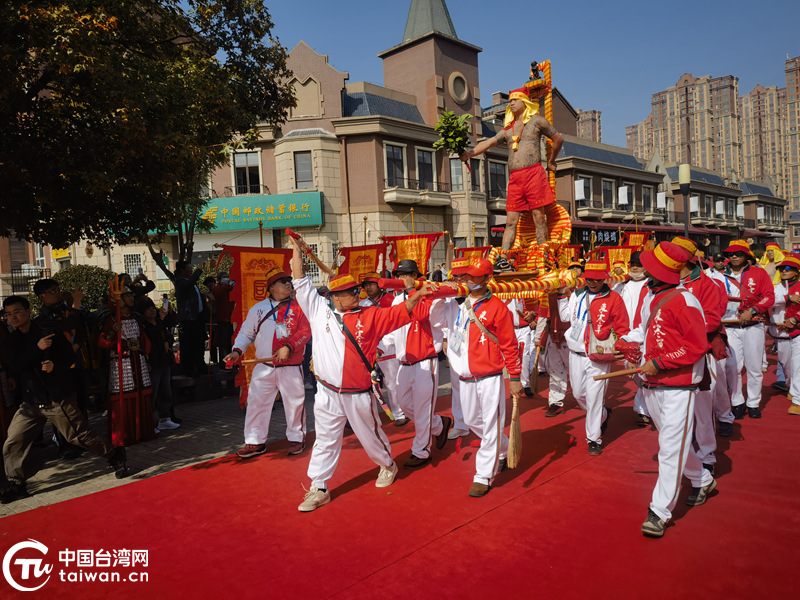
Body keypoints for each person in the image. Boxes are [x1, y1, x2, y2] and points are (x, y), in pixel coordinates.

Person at [289, 235, 434, 512]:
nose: (358, 294)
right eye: (351, 292)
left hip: (358, 393)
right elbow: (299, 280)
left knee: (371, 436)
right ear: (334, 296)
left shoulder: (370, 315)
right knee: (325, 439)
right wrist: (297, 250)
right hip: (327, 392)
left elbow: (402, 312)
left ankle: (387, 464)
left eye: (358, 290)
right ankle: (318, 486)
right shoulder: (318, 309)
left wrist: (418, 294)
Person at [615, 241, 715, 538]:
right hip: (651, 383)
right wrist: (625, 340)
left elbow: (697, 346)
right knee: (677, 443)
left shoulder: (685, 301)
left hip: (679, 386)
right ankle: (703, 479)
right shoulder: (651, 295)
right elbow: (645, 332)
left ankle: (659, 511)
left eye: (650, 266)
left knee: (670, 449)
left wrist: (659, 362)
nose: (644, 269)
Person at [0, 296, 129, 504]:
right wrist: (38, 349)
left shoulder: (47, 330)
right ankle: (17, 484)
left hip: (56, 398)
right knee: (14, 441)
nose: (12, 317)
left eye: (16, 312)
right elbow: (17, 365)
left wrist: (55, 367)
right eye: (8, 314)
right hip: (31, 402)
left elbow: (70, 358)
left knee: (78, 436)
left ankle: (115, 454)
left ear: (27, 311)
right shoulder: (11, 341)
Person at [436, 258, 522, 496]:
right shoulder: (459, 305)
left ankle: (483, 475)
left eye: (474, 276)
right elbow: (437, 321)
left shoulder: (498, 308)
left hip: (490, 377)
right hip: (464, 378)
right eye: (466, 276)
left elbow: (510, 345)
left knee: (491, 424)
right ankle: (502, 448)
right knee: (474, 422)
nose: (468, 280)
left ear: (487, 278)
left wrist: (514, 377)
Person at [461, 87, 563, 265]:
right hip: (515, 177)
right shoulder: (507, 130)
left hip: (534, 173)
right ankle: (503, 258)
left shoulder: (537, 122)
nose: (512, 103)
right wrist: (470, 153)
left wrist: (551, 161)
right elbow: (488, 142)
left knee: (539, 217)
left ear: (525, 102)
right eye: (510, 101)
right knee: (510, 221)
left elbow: (558, 139)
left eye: (515, 100)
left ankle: (544, 256)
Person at [225, 268, 311, 458]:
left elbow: (305, 332)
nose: (288, 284)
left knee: (295, 404)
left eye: (289, 281)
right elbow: (247, 333)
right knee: (256, 403)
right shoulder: (259, 308)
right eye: (283, 282)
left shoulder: (299, 307)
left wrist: (288, 347)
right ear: (271, 287)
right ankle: (255, 442)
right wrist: (236, 351)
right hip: (263, 367)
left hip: (290, 367)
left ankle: (297, 438)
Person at [558, 259, 630, 455]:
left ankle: (593, 438)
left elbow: (623, 327)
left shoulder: (613, 298)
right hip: (575, 352)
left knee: (595, 397)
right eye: (588, 279)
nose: (591, 282)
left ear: (604, 279)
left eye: (596, 280)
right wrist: (560, 295)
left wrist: (624, 348)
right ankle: (603, 415)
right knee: (579, 394)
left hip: (598, 355)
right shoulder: (577, 294)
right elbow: (565, 318)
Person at [671, 237, 727, 475]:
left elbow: (713, 319)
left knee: (703, 407)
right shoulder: (665, 281)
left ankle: (706, 456)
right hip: (670, 355)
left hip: (698, 352)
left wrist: (680, 333)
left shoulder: (707, 285)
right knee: (676, 410)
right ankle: (682, 453)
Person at [388, 259, 451, 470]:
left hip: (426, 362)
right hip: (404, 362)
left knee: (423, 409)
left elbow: (420, 314)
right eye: (399, 275)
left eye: (407, 275)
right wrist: (380, 349)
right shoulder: (397, 300)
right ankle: (439, 424)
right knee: (405, 405)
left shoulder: (430, 296)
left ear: (416, 276)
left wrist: (411, 292)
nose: (402, 279)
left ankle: (421, 451)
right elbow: (392, 327)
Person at [720, 240, 774, 419]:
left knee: (754, 366)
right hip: (729, 325)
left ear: (746, 256)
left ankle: (753, 402)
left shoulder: (759, 273)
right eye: (730, 254)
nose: (733, 256)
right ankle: (737, 401)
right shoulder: (719, 275)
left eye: (738, 253)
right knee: (731, 366)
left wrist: (752, 310)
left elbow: (769, 296)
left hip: (753, 325)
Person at [98, 286, 157, 445]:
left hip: (138, 359)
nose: (132, 298)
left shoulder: (137, 317)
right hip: (121, 361)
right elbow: (102, 342)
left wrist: (146, 355)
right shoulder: (110, 318)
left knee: (141, 392)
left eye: (132, 295)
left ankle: (143, 431)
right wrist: (112, 332)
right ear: (118, 299)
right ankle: (124, 434)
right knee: (123, 394)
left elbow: (143, 338)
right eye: (128, 295)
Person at [359, 272, 407, 426]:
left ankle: (399, 412)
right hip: (369, 348)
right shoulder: (363, 304)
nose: (368, 287)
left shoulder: (390, 300)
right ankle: (372, 417)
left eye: (372, 284)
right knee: (370, 384)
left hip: (388, 347)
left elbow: (395, 322)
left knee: (392, 383)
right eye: (366, 285)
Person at [137, 296, 181, 431]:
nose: (152, 311)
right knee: (153, 392)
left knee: (165, 390)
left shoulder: (159, 321)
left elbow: (168, 330)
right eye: (148, 310)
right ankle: (149, 421)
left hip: (163, 360)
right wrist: (161, 319)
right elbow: (152, 334)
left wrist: (168, 340)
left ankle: (165, 418)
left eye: (153, 308)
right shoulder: (143, 325)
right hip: (153, 362)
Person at [770, 254, 800, 415]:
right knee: (786, 363)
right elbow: (769, 300)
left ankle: (797, 398)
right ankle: (791, 385)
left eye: (787, 269)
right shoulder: (776, 287)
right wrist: (788, 297)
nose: (783, 271)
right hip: (780, 332)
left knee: (798, 364)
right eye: (781, 269)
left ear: (796, 272)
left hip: (797, 330)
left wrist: (795, 319)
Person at [174, 260, 207, 376]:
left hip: (198, 318)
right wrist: (199, 270)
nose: (191, 270)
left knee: (199, 343)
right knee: (189, 345)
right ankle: (189, 369)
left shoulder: (192, 283)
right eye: (189, 268)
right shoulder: (180, 282)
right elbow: (191, 281)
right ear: (182, 270)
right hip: (188, 319)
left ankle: (200, 365)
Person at [211, 273, 236, 367]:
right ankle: (224, 364)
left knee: (231, 344)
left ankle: (231, 364)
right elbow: (223, 290)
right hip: (223, 320)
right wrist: (229, 284)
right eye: (224, 277)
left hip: (231, 319)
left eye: (227, 277)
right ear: (219, 280)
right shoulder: (217, 289)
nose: (226, 279)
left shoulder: (227, 289)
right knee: (224, 345)